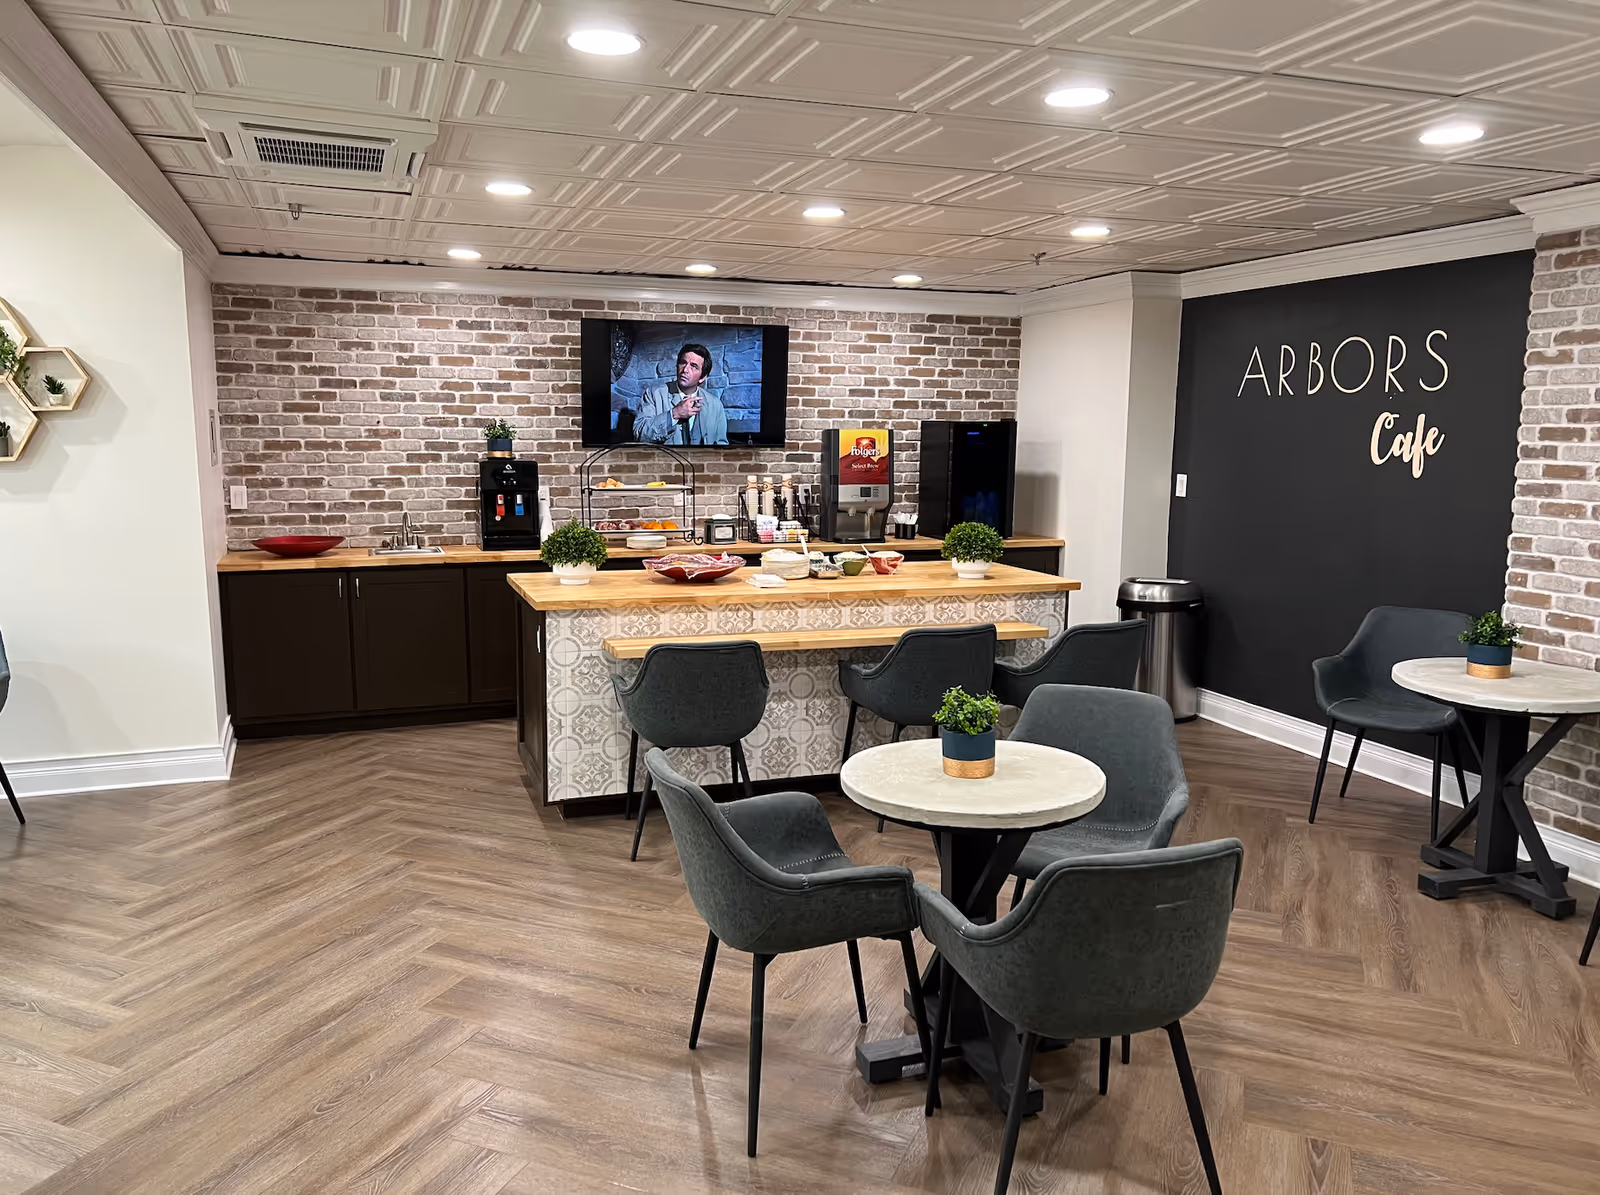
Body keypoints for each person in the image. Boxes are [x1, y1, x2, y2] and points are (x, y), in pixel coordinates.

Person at [633, 343, 728, 445]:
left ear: (702, 377)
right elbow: (639, 434)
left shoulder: (715, 405)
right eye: (683, 363)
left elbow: (721, 446)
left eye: (694, 366)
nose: (685, 370)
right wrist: (674, 414)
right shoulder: (654, 394)